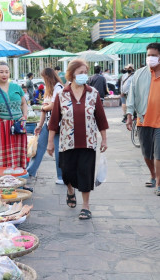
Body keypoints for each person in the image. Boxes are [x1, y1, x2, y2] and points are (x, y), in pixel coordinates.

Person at [47, 59, 109, 220]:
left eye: (85, 72)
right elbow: (54, 121)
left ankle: (86, 206)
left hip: (88, 141)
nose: (84, 75)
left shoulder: (93, 93)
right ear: (72, 73)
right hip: (67, 142)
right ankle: (70, 190)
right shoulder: (62, 94)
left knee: (85, 173)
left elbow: (101, 118)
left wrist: (104, 139)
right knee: (66, 172)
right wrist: (49, 143)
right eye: (80, 72)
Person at [126, 43, 160, 193]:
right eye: (148, 55)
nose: (150, 58)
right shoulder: (139, 74)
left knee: (158, 154)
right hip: (143, 118)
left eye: (154, 55)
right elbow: (131, 95)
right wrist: (129, 114)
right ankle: (153, 175)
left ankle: (159, 183)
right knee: (147, 153)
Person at [0, 61, 28, 168]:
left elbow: (24, 104)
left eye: (6, 72)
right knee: (1, 155)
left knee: (17, 154)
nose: (4, 74)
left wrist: (25, 117)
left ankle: (18, 178)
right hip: (0, 127)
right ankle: (1, 179)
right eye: (1, 72)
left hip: (18, 126)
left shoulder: (17, 88)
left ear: (9, 73)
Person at [27, 68, 64, 184]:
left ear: (48, 77)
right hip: (48, 124)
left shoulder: (58, 87)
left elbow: (52, 106)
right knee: (38, 147)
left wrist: (45, 107)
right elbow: (45, 109)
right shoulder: (49, 89)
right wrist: (39, 125)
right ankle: (30, 172)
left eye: (43, 77)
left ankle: (61, 177)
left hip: (58, 125)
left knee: (58, 151)